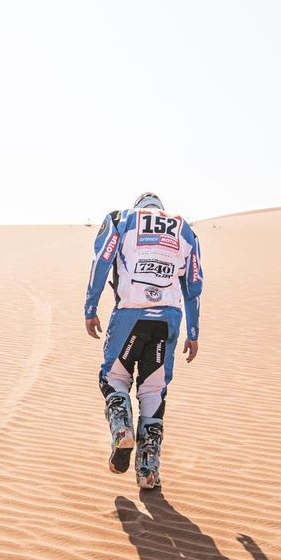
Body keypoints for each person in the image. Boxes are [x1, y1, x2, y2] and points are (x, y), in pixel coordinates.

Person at [84, 192, 203, 488]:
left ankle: (122, 427)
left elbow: (102, 260)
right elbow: (194, 283)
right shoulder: (184, 227)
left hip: (130, 314)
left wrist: (90, 307)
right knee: (153, 390)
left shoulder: (121, 218)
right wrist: (193, 332)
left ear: (138, 206)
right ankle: (148, 469)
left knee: (112, 379)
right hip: (168, 319)